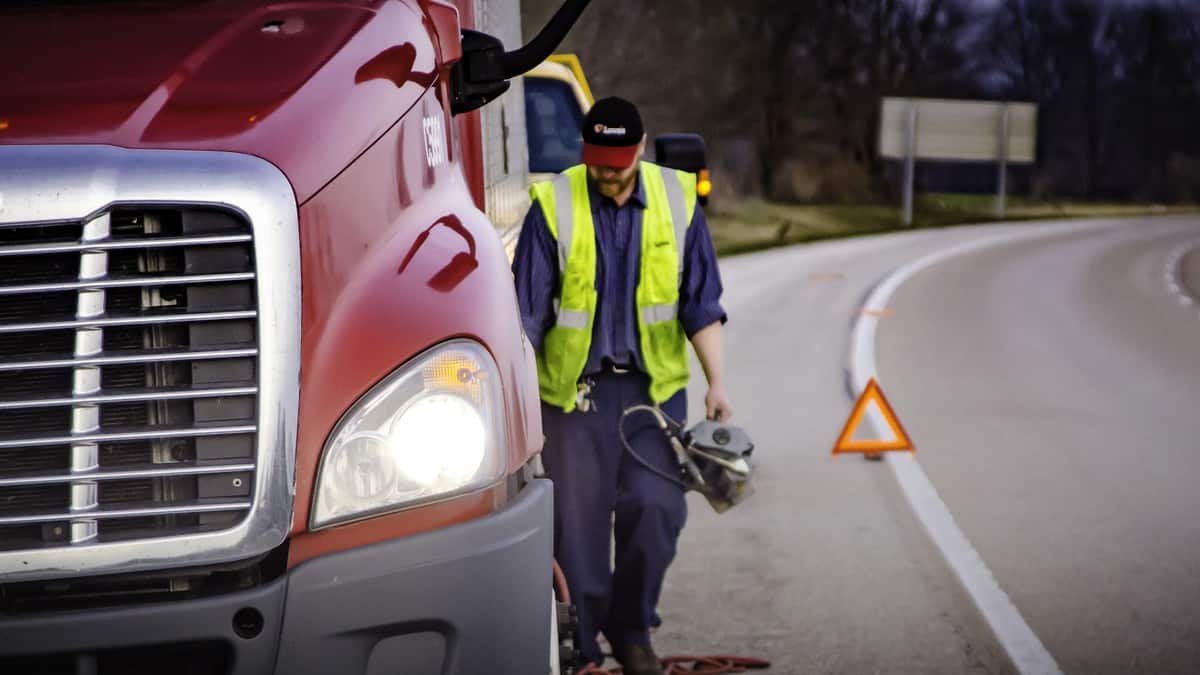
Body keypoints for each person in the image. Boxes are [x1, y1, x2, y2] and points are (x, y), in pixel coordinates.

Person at [511, 96, 731, 675]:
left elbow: (701, 305)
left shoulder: (678, 202)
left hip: (653, 395)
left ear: (639, 148)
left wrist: (717, 383)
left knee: (658, 511)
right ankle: (582, 648)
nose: (609, 175)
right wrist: (515, 402)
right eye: (599, 163)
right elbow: (526, 317)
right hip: (574, 397)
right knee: (575, 529)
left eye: (619, 163)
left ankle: (631, 628)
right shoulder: (554, 205)